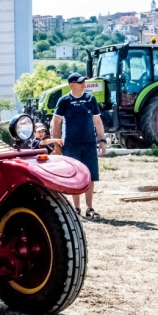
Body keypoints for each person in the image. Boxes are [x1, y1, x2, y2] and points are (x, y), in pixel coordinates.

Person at [52, 73, 107, 219]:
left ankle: (90, 208)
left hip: (89, 143)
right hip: (71, 144)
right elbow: (55, 123)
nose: (84, 84)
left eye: (84, 82)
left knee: (90, 176)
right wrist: (57, 145)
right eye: (80, 82)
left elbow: (97, 121)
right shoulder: (64, 101)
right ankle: (76, 208)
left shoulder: (91, 99)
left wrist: (102, 140)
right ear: (71, 84)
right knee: (75, 177)